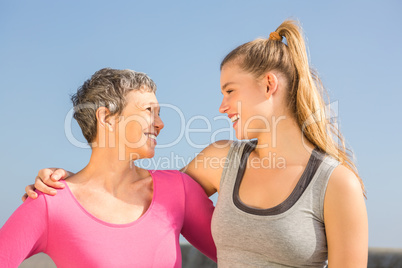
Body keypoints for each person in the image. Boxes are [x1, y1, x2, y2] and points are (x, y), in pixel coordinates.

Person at [24, 20, 368, 267]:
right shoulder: (219, 160)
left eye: (230, 90)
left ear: (268, 85)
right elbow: (144, 194)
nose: (222, 106)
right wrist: (72, 183)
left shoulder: (336, 184)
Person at [0, 68, 216, 267]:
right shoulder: (51, 201)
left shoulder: (179, 189)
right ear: (106, 117)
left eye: (159, 113)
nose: (160, 123)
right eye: (149, 110)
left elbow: (243, 251)